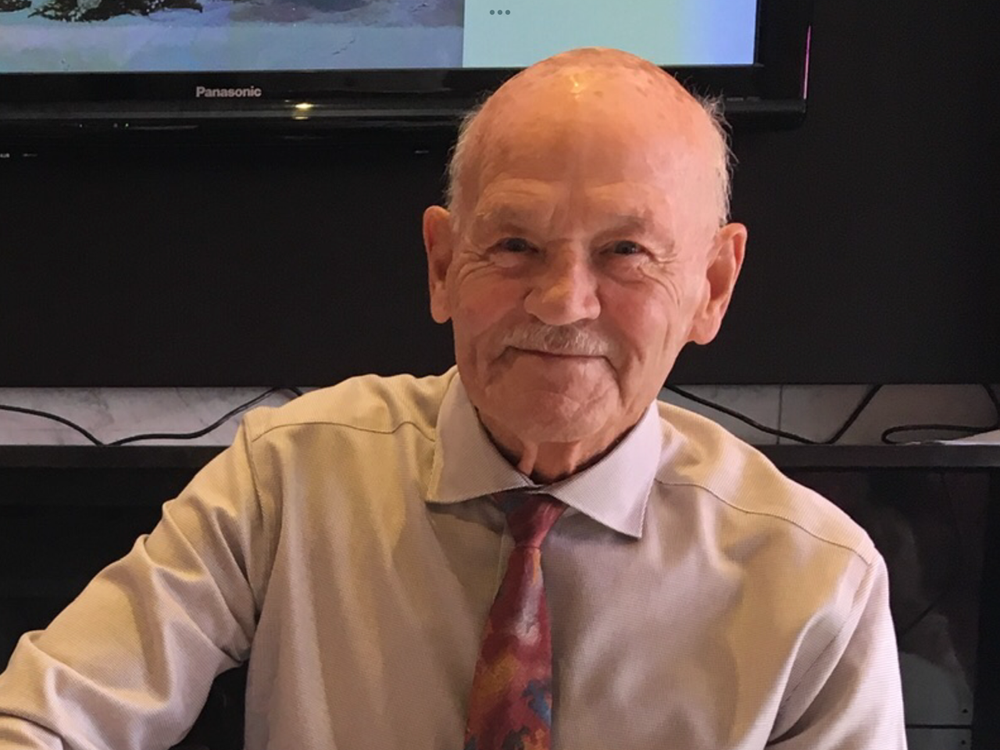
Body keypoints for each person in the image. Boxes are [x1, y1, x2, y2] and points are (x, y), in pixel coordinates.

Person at [0, 47, 906, 749]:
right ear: (441, 264)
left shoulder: (815, 584)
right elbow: (46, 718)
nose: (562, 302)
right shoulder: (285, 479)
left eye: (626, 252)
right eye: (514, 245)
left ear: (712, 285)